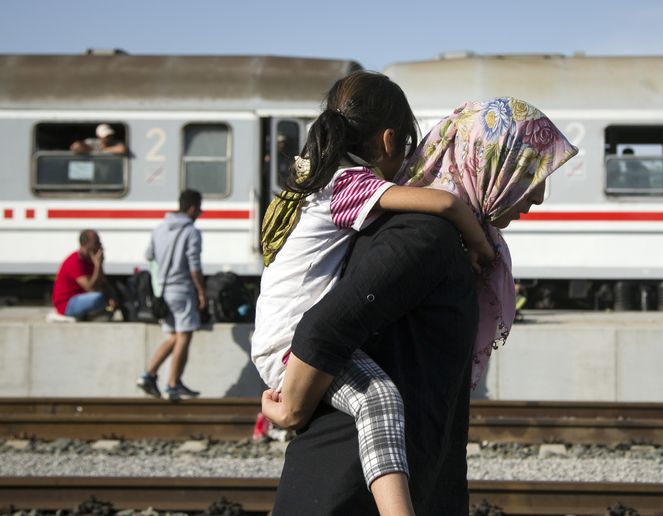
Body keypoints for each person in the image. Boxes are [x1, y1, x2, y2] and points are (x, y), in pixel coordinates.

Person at [263, 97, 577, 514]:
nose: (537, 196)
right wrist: (293, 408)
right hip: (348, 490)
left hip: (377, 482)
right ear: (491, 163)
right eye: (530, 174)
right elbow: (322, 329)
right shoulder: (424, 235)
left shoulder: (448, 238)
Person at [251, 70, 494, 516]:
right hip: (290, 342)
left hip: (280, 336)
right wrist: (479, 242)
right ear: (387, 141)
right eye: (405, 147)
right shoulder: (347, 183)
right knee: (379, 399)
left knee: (375, 398)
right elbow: (444, 203)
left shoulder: (314, 181)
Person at [136, 189, 206, 401]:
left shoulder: (159, 228)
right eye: (199, 209)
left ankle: (148, 374)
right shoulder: (191, 232)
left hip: (163, 291)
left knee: (173, 336)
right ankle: (172, 384)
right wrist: (201, 292)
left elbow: (149, 256)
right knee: (184, 335)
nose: (200, 213)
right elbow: (194, 266)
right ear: (192, 208)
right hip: (182, 289)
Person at [51, 229, 115, 320]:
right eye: (96, 242)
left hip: (82, 298)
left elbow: (102, 282)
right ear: (86, 244)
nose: (100, 246)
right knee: (98, 298)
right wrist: (97, 266)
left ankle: (96, 314)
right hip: (67, 303)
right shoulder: (74, 261)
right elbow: (90, 287)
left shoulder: (91, 260)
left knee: (111, 295)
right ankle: (91, 315)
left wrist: (111, 296)